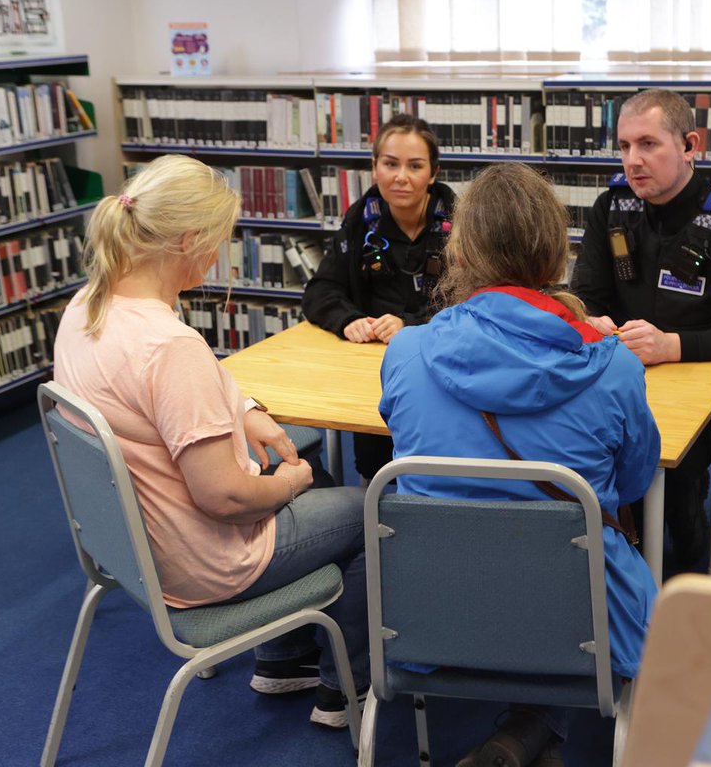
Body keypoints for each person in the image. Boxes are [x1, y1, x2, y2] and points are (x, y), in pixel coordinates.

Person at [52, 155, 369, 729]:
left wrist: (244, 411)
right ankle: (346, 689)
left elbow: (158, 399)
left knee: (311, 473)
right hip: (208, 561)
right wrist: (287, 483)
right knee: (370, 511)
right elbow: (223, 498)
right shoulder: (169, 345)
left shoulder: (87, 309)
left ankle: (283, 659)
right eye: (218, 242)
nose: (219, 256)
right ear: (190, 240)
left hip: (139, 552)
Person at [379, 163, 661, 767]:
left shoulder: (406, 353)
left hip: (432, 611)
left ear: (462, 253)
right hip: (580, 621)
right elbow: (635, 484)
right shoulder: (613, 367)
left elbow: (404, 453)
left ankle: (520, 729)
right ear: (556, 254)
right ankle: (546, 727)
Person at [570, 89, 711, 569]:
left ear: (690, 145)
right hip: (629, 369)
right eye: (624, 147)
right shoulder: (613, 210)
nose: (633, 160)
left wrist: (673, 346)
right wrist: (585, 316)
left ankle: (690, 577)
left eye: (648, 144)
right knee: (576, 432)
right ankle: (607, 561)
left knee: (673, 455)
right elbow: (583, 297)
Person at [302, 113, 455, 481]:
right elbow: (320, 290)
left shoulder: (459, 224)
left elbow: (474, 303)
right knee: (375, 470)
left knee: (433, 469)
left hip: (441, 368)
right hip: (372, 375)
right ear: (374, 168)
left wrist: (412, 325)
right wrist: (348, 319)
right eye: (390, 164)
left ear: (433, 173)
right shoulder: (361, 221)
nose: (401, 177)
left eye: (414, 166)